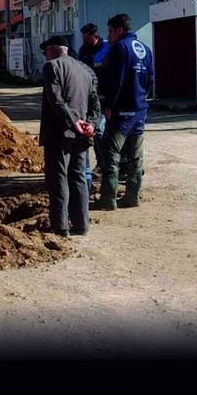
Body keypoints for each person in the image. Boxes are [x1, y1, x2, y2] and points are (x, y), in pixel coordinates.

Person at [38, 35, 101, 237]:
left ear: (53, 49)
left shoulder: (52, 67)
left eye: (45, 52)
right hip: (82, 136)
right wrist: (90, 125)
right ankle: (82, 225)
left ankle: (60, 226)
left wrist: (73, 122)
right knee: (79, 178)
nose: (45, 56)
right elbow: (95, 105)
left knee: (58, 178)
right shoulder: (85, 70)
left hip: (60, 134)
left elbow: (55, 99)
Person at [93, 13, 154, 211]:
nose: (108, 36)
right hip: (139, 110)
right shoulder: (145, 49)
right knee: (136, 157)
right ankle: (132, 196)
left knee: (112, 154)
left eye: (110, 31)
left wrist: (109, 105)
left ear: (120, 30)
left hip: (121, 111)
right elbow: (151, 80)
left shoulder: (120, 48)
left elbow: (116, 81)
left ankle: (108, 198)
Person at [77, 23, 110, 178]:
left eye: (87, 38)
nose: (85, 41)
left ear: (95, 36)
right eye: (83, 38)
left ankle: (104, 165)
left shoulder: (107, 48)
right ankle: (102, 164)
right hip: (89, 99)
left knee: (98, 131)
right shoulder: (83, 50)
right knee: (92, 132)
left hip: (105, 98)